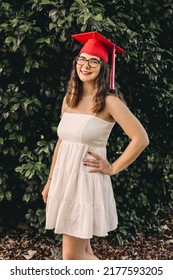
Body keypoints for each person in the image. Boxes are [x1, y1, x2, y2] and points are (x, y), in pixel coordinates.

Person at [42, 31, 149, 260]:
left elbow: (141, 138)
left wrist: (112, 167)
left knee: (71, 259)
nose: (85, 65)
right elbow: (62, 142)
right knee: (84, 252)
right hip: (64, 180)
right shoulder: (70, 97)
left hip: (85, 183)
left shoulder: (110, 102)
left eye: (94, 61)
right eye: (82, 59)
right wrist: (51, 181)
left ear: (103, 67)